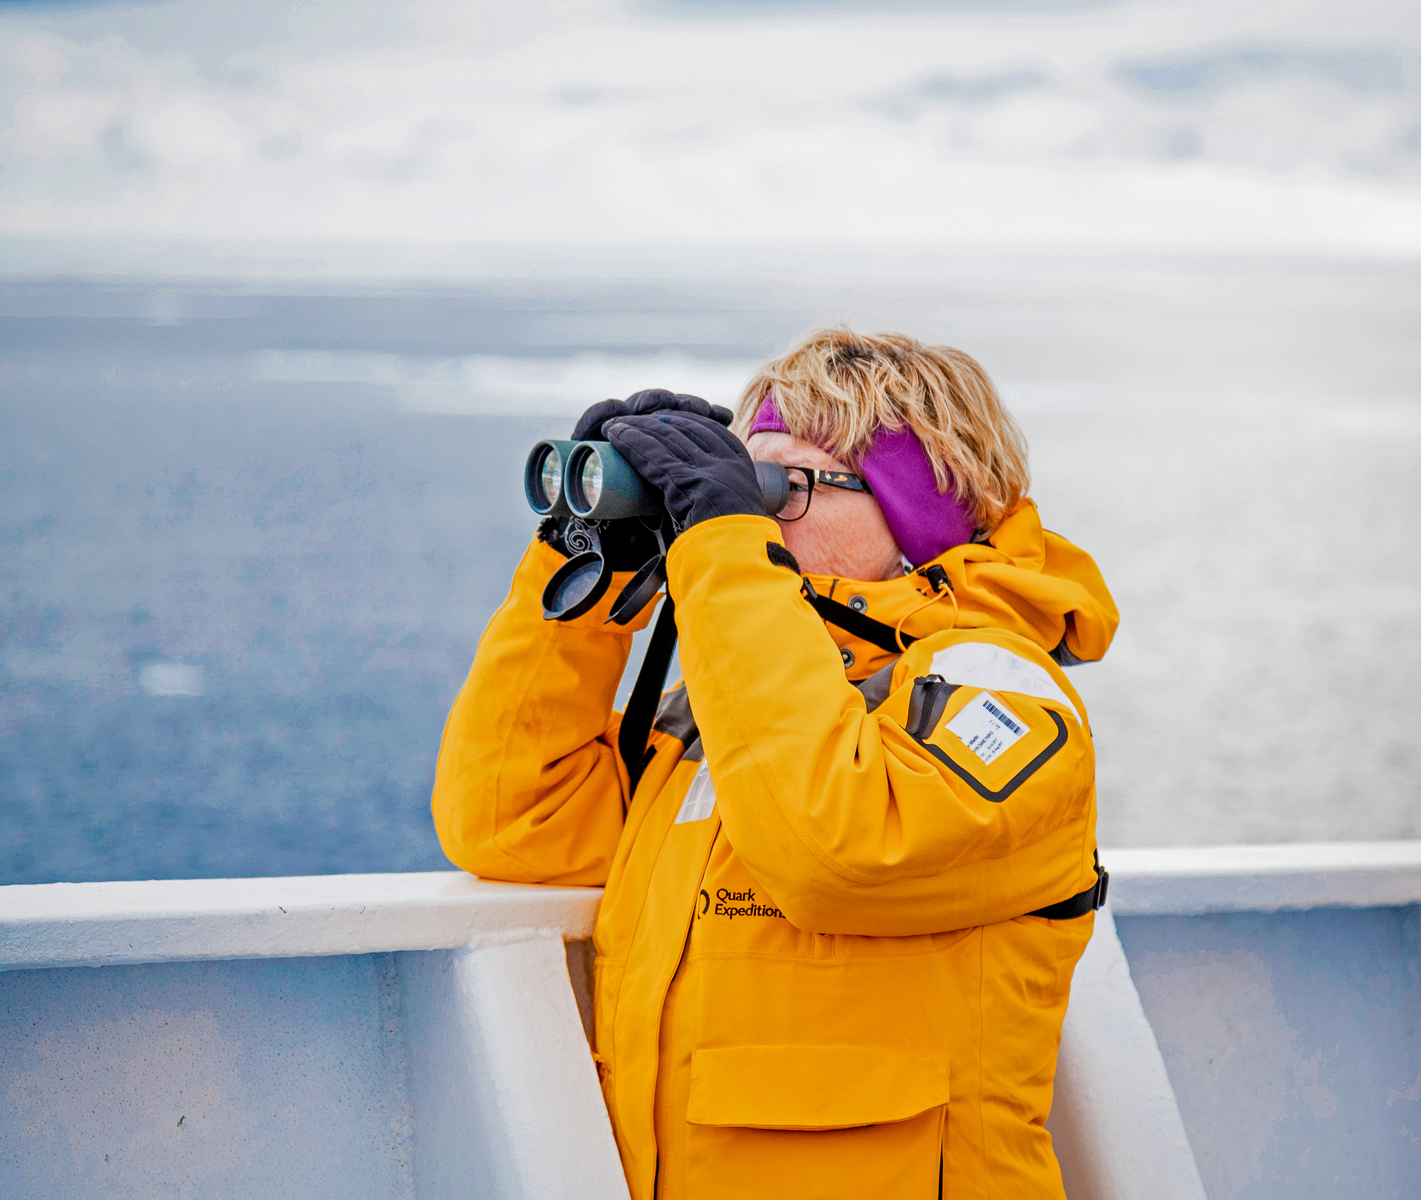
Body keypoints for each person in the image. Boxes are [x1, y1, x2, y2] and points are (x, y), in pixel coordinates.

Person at [432, 328, 1119, 1199]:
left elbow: (833, 851)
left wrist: (723, 547)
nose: (748, 517)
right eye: (737, 483)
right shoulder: (725, 711)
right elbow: (511, 820)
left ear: (920, 517)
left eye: (780, 489)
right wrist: (584, 559)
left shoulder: (1006, 698)